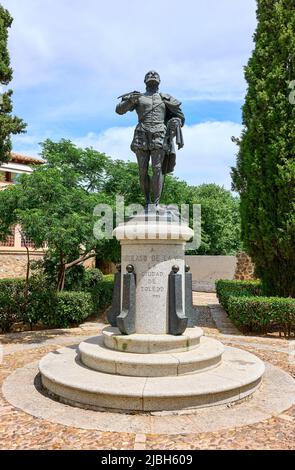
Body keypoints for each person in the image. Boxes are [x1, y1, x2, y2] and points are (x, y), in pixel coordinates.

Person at [116, 71, 185, 210]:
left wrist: (176, 121)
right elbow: (119, 110)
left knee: (157, 169)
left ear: (159, 81)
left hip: (159, 134)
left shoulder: (166, 98)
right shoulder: (138, 97)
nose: (152, 75)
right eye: (149, 75)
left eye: (155, 75)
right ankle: (147, 202)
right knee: (142, 170)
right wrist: (130, 100)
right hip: (142, 133)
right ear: (144, 81)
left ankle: (156, 203)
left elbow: (180, 117)